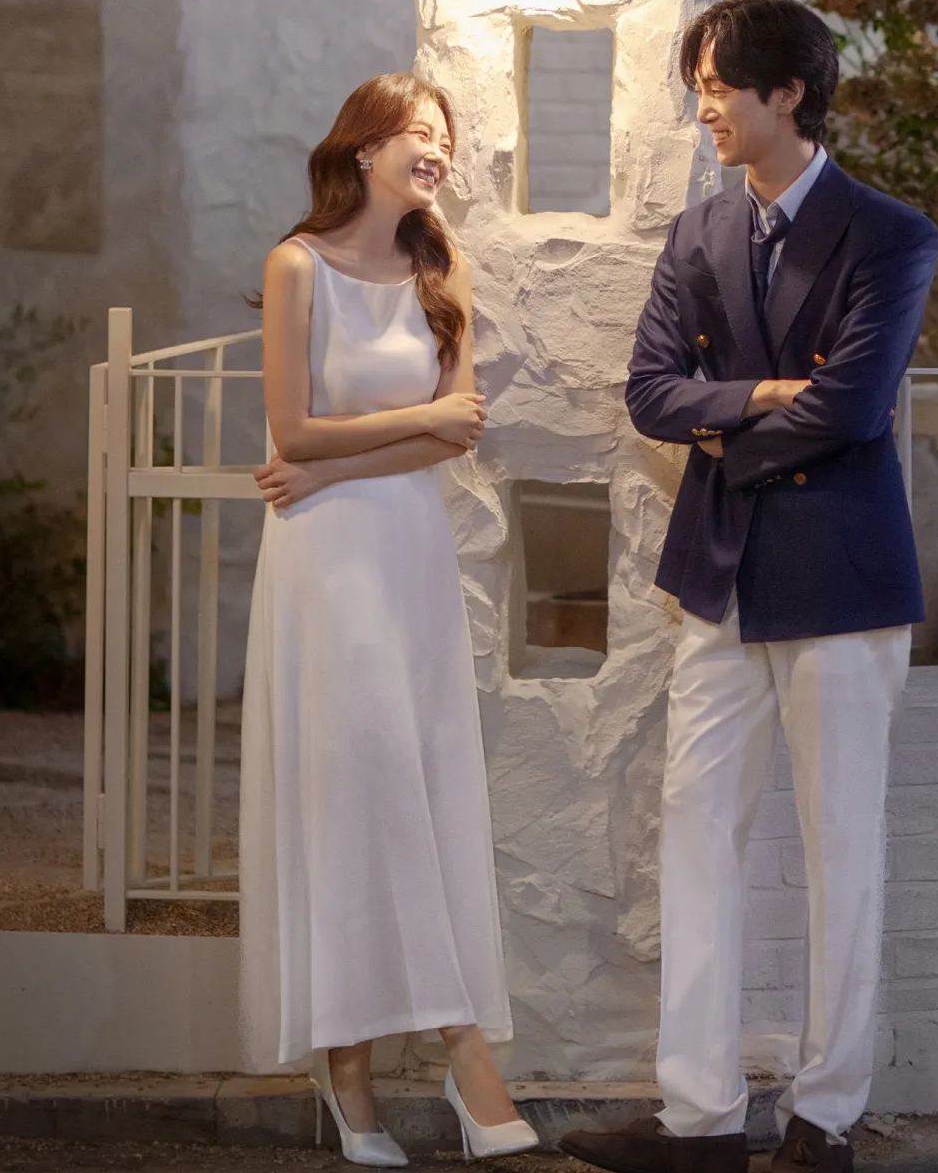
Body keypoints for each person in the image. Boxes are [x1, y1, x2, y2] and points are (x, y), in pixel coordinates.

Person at [562, 0, 938, 1173]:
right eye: (699, 88)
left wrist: (728, 424)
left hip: (844, 580)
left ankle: (825, 1115)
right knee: (694, 835)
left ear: (789, 93)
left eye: (722, 87)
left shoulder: (891, 235)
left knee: (842, 853)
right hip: (721, 578)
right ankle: (700, 1118)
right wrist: (766, 395)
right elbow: (650, 394)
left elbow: (853, 408)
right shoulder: (699, 233)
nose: (705, 109)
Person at [239, 73, 538, 1167]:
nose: (439, 149)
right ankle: (393, 1060)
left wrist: (335, 464)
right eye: (419, 131)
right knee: (350, 790)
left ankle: (417, 1056)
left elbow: (458, 434)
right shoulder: (296, 265)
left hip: (405, 548)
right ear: (363, 149)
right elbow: (291, 430)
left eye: (445, 135)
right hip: (327, 565)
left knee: (417, 781)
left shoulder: (441, 267)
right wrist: (384, 433)